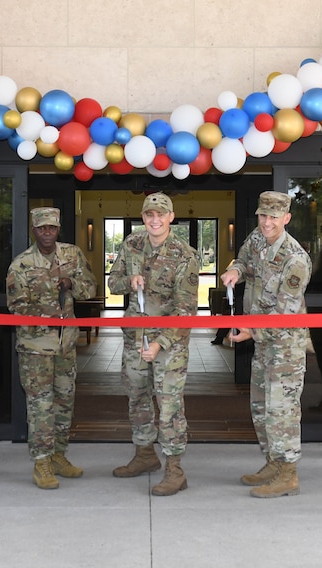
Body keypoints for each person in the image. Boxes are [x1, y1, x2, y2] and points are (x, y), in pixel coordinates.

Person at [221, 190, 312, 499]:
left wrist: (250, 331)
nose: (266, 222)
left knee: (281, 410)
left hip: (284, 346)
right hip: (263, 344)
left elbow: (285, 312)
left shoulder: (295, 258)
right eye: (263, 215)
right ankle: (273, 463)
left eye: (273, 217)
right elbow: (245, 261)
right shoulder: (258, 239)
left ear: (286, 219)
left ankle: (288, 474)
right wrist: (235, 270)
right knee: (260, 406)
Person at [108, 192, 199, 496]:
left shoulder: (185, 254)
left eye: (161, 214)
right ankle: (145, 455)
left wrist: (159, 343)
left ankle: (175, 469)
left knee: (169, 404)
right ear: (143, 217)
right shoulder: (131, 244)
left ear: (171, 217)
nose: (155, 220)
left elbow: (186, 310)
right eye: (149, 215)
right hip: (136, 336)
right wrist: (129, 281)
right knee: (137, 396)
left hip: (169, 343)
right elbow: (113, 282)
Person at [6, 207, 97, 489]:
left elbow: (91, 289)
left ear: (58, 230)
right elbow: (15, 307)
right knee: (40, 407)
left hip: (65, 345)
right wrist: (44, 300)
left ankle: (58, 454)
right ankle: (41, 462)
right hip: (35, 348)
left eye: (52, 228)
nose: (47, 233)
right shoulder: (21, 264)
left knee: (64, 402)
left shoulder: (71, 255)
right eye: (42, 228)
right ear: (34, 230)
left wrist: (71, 283)